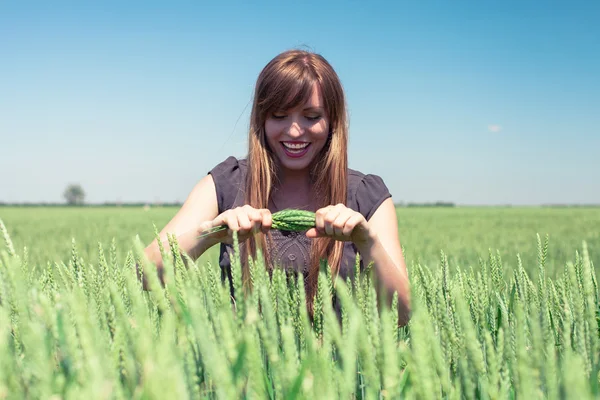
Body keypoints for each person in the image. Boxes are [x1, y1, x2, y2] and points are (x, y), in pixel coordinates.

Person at [143, 49, 411, 326]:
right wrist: (211, 234)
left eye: (311, 116)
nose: (295, 131)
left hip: (343, 368)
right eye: (280, 115)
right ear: (262, 119)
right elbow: (143, 275)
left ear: (332, 121)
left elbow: (402, 315)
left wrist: (367, 243)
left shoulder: (366, 195)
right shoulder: (227, 182)